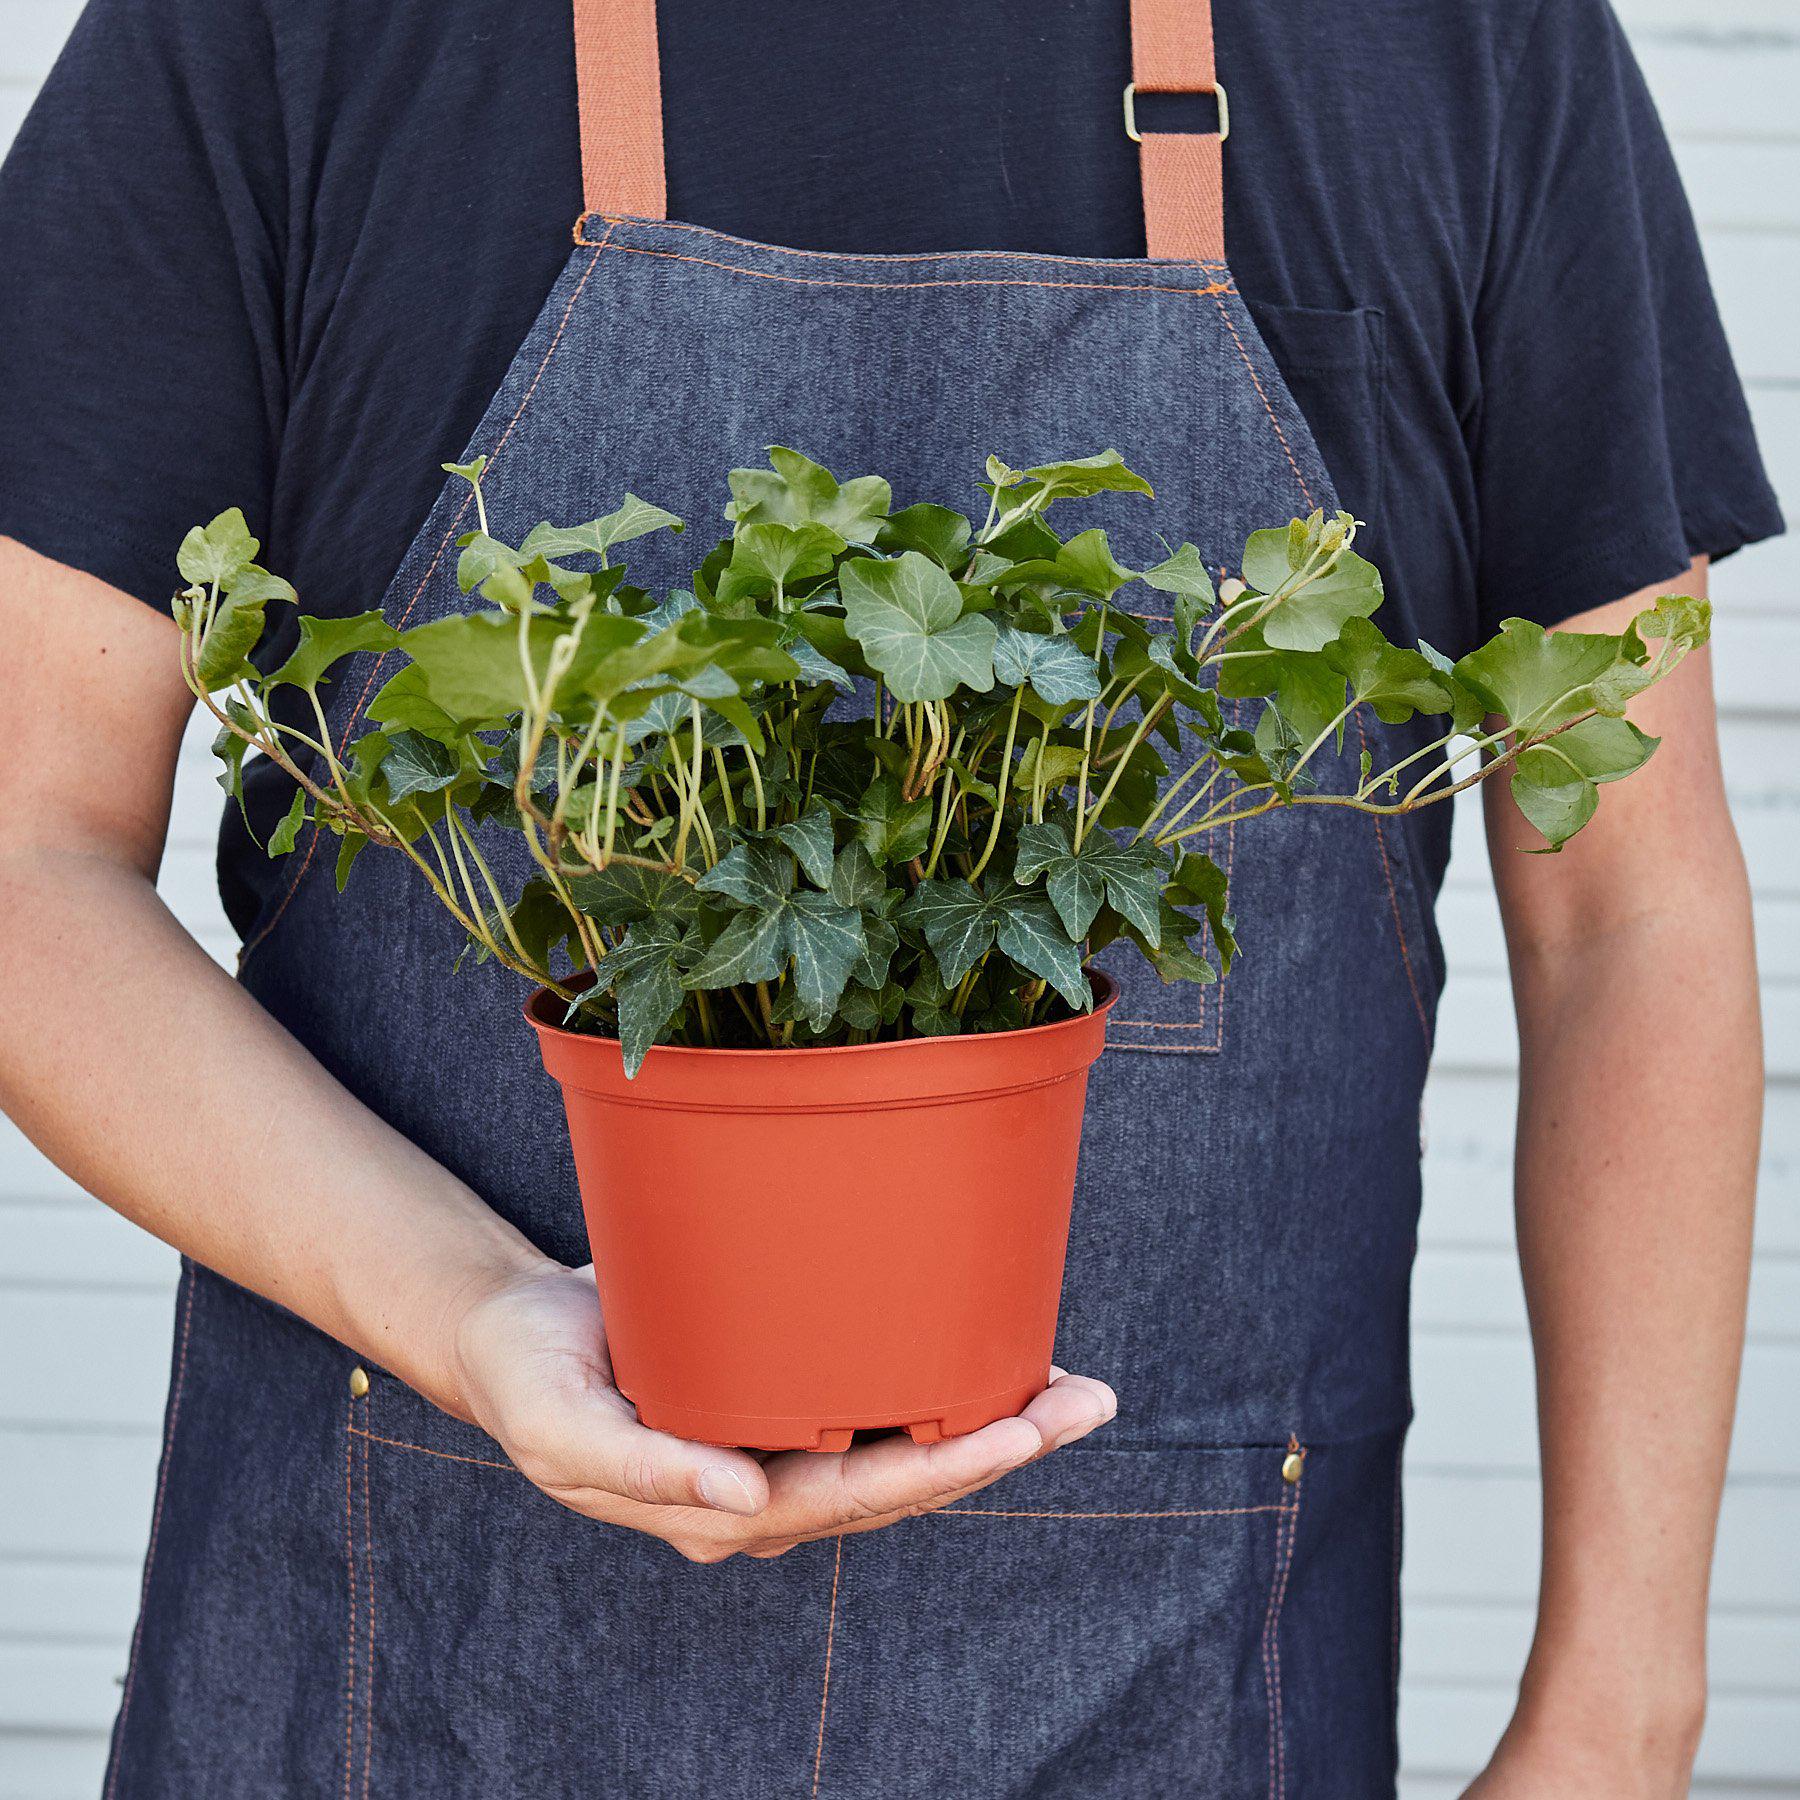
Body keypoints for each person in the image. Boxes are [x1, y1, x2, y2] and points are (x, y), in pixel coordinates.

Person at [0, 0, 1778, 1794]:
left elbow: (1630, 913)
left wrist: (1620, 1723)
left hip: (1186, 1694)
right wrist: (468, 1309)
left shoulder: (1457, 37)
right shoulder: (285, 32)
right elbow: (23, 855)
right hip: (401, 1686)